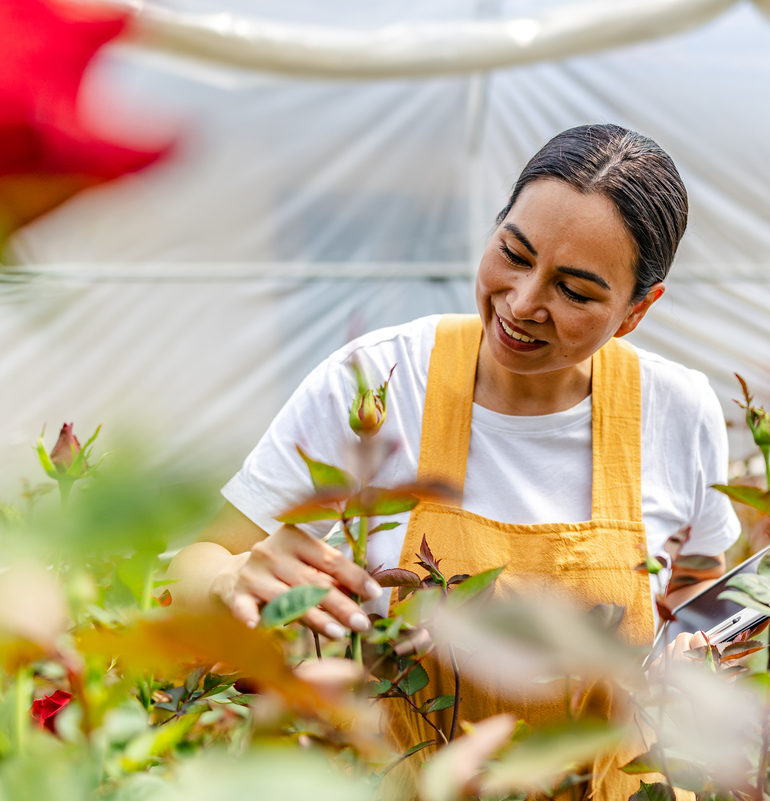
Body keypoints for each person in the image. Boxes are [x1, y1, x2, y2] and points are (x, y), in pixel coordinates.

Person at [166, 123, 740, 795]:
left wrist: (698, 657)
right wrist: (229, 578)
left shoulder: (677, 409)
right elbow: (189, 567)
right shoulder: (379, 382)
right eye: (513, 253)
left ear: (638, 309)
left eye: (575, 291)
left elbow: (697, 587)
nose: (522, 303)